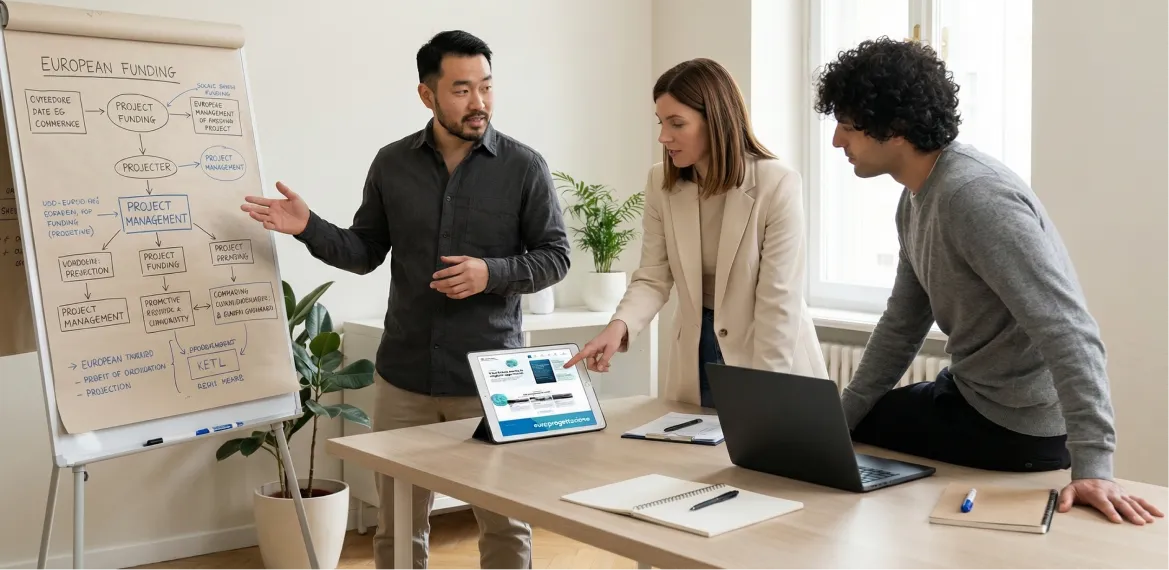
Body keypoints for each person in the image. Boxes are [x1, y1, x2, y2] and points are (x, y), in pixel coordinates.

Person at [241, 30, 570, 569]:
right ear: (427, 95)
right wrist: (307, 227)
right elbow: (364, 250)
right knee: (397, 530)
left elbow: (555, 256)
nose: (479, 102)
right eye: (462, 90)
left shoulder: (524, 167)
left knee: (506, 527)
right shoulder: (392, 164)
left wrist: (491, 273)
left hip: (489, 378)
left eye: (486, 87)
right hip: (405, 379)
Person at [813, 36, 1163, 526]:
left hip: (1019, 425)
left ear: (894, 128)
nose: (836, 141)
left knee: (854, 441)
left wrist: (1094, 465)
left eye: (847, 126)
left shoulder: (974, 197)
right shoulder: (915, 200)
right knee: (846, 433)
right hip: (970, 396)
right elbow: (902, 324)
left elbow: (1067, 328)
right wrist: (841, 417)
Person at [566, 58, 828, 407]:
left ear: (716, 122)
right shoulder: (661, 182)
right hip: (696, 347)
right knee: (692, 458)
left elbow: (778, 301)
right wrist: (618, 328)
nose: (663, 136)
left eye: (677, 123)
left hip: (768, 350)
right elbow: (653, 276)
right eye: (661, 123)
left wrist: (767, 394)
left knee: (760, 456)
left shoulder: (776, 183)